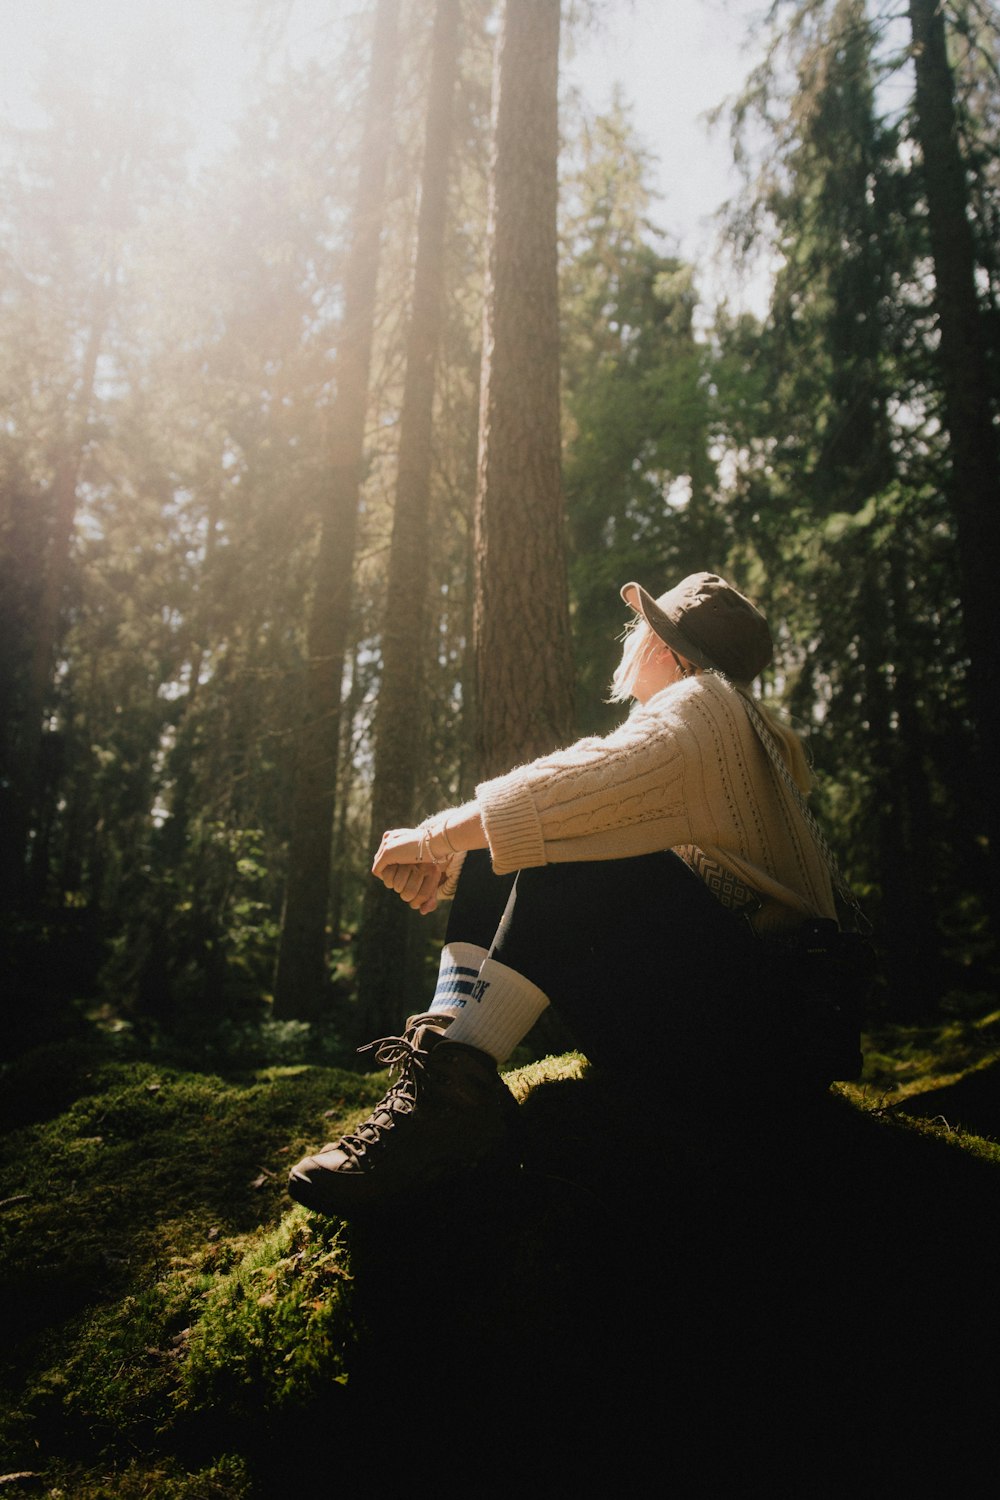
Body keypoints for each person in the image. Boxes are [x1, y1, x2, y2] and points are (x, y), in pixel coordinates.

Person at [288, 572, 838, 1216]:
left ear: (666, 650)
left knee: (565, 830)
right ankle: (446, 1067)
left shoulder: (706, 708)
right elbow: (569, 786)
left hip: (761, 1050)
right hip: (734, 1032)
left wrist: (434, 838)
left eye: (642, 629)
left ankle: (453, 1103)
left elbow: (562, 797)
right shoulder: (723, 724)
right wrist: (461, 852)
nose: (631, 640)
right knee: (536, 833)